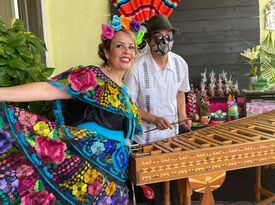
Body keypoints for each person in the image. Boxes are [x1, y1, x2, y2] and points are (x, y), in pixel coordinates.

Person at [0, 15, 142, 205]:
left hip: (113, 181)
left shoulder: (124, 90)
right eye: (119, 46)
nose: (127, 51)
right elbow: (48, 89)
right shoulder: (92, 77)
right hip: (84, 175)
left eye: (131, 47)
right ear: (107, 52)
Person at [125, 14, 191, 205]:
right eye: (159, 35)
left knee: (173, 192)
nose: (165, 40)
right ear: (148, 40)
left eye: (168, 35)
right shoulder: (136, 67)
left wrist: (183, 115)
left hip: (172, 139)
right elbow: (129, 105)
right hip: (145, 142)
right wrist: (152, 118)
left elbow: (180, 92)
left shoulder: (180, 64)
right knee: (152, 197)